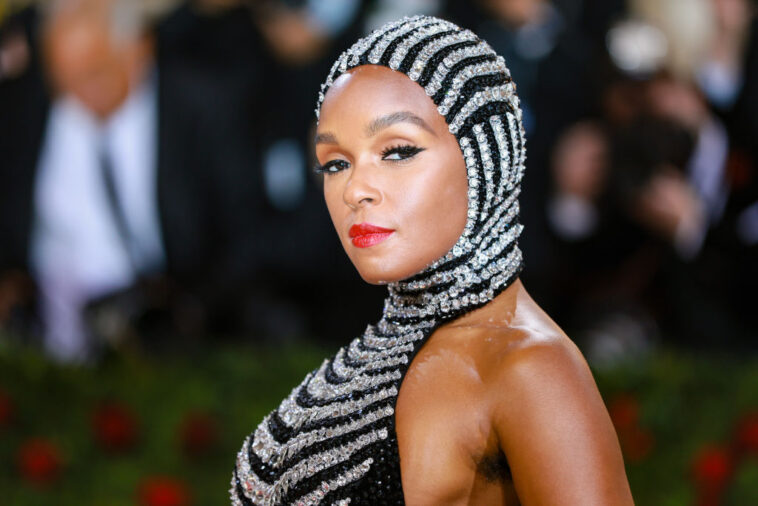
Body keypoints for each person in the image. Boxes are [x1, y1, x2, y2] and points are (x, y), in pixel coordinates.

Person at [231, 15, 633, 505]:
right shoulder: (378, 351)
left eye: (397, 151)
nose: (355, 189)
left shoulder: (530, 367)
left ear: (488, 156)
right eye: (336, 162)